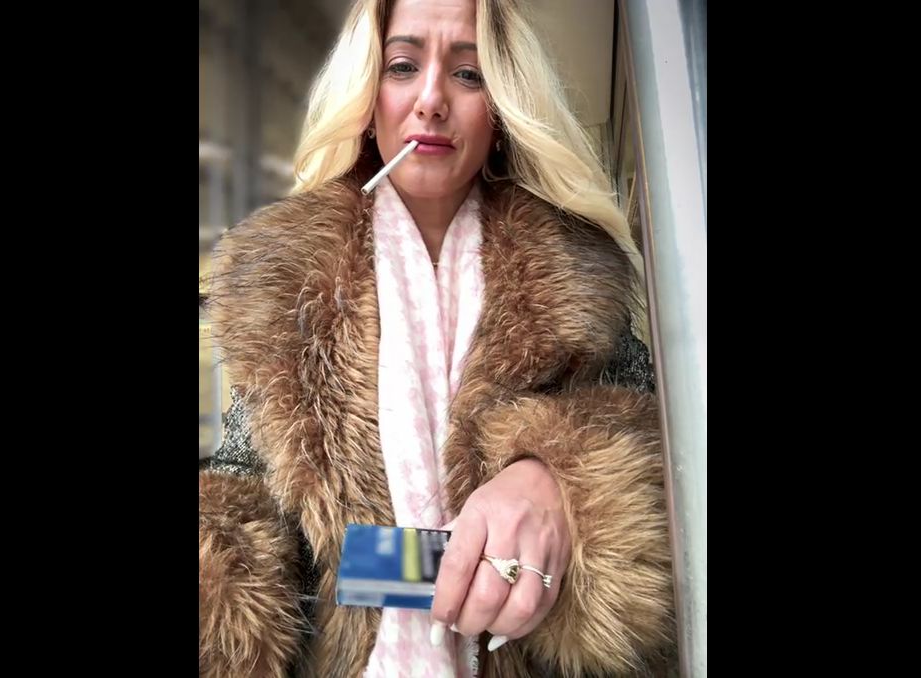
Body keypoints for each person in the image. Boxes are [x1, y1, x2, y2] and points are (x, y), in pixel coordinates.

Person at [199, 0, 674, 675]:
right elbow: (245, 486)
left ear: (499, 111)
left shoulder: (574, 273)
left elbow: (666, 446)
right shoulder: (285, 285)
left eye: (468, 74)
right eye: (402, 66)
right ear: (369, 99)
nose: (430, 100)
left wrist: (560, 479)